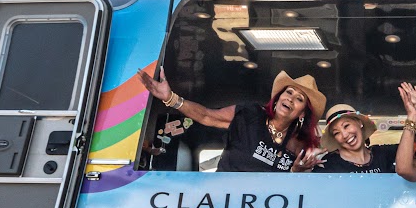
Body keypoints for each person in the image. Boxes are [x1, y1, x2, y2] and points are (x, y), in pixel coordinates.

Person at [137, 67, 327, 173]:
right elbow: (206, 115)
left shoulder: (300, 145)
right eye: (288, 92)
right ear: (277, 98)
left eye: (299, 99)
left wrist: (296, 173)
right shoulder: (250, 115)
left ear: (302, 113)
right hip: (226, 207)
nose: (290, 99)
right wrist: (170, 98)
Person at [316, 103, 397, 174]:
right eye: (336, 133)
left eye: (346, 126)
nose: (344, 135)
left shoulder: (382, 153)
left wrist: (410, 119)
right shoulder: (328, 164)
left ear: (359, 123)